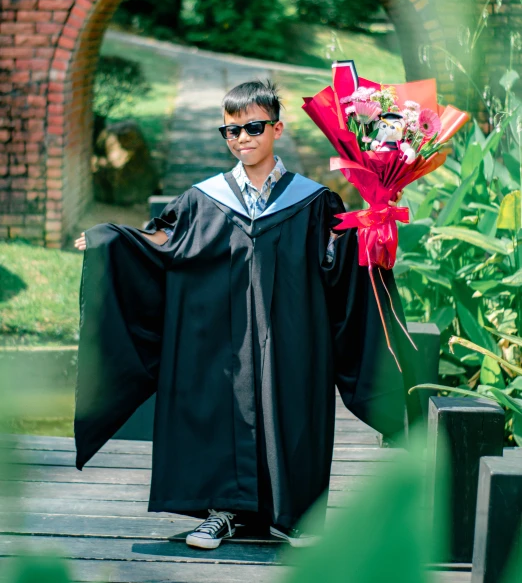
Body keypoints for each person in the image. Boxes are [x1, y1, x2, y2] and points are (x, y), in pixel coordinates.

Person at [74, 79, 419, 551]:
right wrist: (110, 241)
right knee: (220, 408)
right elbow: (164, 244)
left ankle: (293, 514)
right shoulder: (204, 198)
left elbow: (337, 261)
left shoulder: (313, 201)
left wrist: (375, 225)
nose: (242, 138)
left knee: (293, 408)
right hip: (220, 338)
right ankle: (221, 513)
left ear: (278, 128)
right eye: (230, 131)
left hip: (292, 335)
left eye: (253, 127)